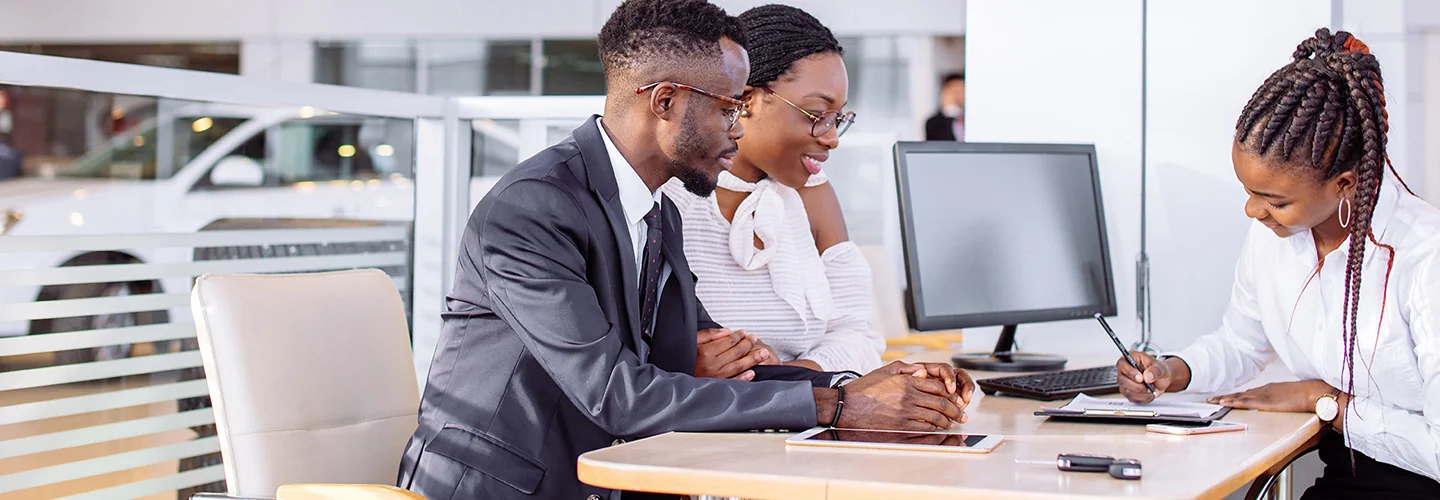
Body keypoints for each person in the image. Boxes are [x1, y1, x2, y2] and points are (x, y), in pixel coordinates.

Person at [397, 1, 976, 498]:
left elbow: (711, 361)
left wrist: (868, 388)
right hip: (507, 490)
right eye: (728, 108)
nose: (737, 128)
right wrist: (838, 408)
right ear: (667, 101)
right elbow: (616, 393)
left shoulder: (656, 210)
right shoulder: (532, 209)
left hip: (613, 475)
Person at [1115, 29, 1440, 499]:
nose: (1253, 211)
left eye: (1273, 199)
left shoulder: (1424, 256)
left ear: (1344, 184)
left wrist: (1324, 400)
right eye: (1248, 192)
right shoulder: (1274, 235)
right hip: (1348, 476)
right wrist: (1172, 372)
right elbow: (1243, 342)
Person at [661, 4, 881, 375]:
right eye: (817, 115)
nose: (831, 139)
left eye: (837, 119)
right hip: (703, 426)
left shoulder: (810, 192)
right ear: (745, 102)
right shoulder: (668, 195)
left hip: (802, 414)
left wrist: (789, 379)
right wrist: (683, 362)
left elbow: (858, 335)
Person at [924, 72, 965, 141]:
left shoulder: (970, 119)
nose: (958, 96)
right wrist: (950, 110)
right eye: (954, 91)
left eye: (961, 91)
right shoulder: (933, 123)